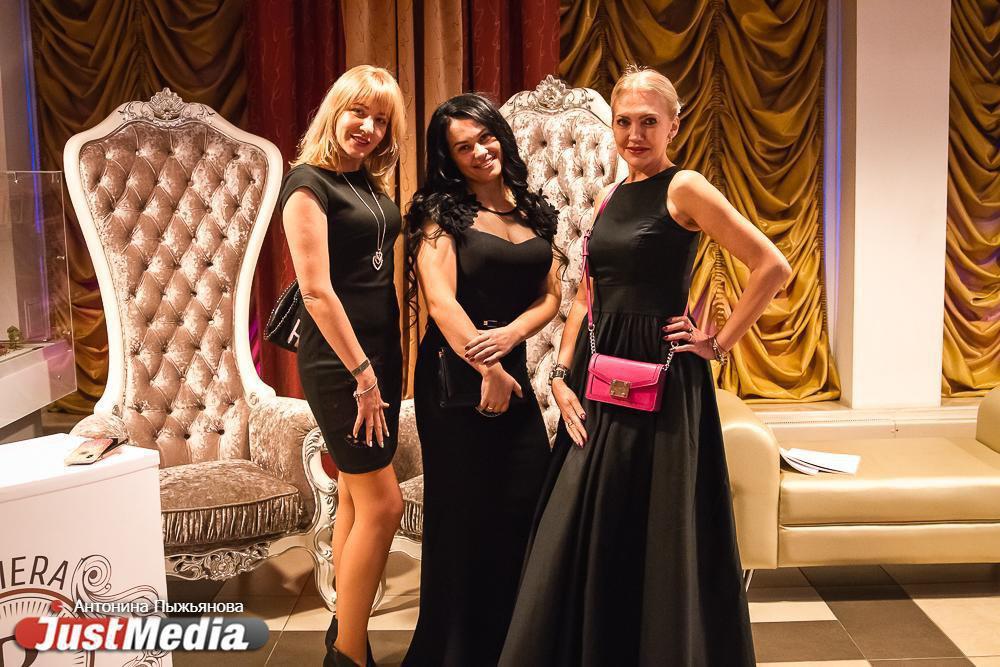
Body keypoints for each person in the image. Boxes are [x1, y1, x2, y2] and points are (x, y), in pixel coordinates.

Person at [499, 66, 792, 666]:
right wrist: (561, 374)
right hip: (600, 375)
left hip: (661, 378)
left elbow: (772, 266)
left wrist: (719, 342)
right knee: (583, 520)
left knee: (655, 527)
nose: (634, 135)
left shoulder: (684, 187)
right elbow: (587, 295)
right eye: (624, 122)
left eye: (648, 122)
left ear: (674, 127)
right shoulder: (612, 193)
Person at [401, 93, 564, 667]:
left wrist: (512, 336)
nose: (479, 152)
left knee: (526, 504)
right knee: (465, 517)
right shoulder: (440, 212)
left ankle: (518, 649)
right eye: (462, 146)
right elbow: (440, 301)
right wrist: (487, 366)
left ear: (501, 134)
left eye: (485, 137)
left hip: (508, 362)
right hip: (455, 375)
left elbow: (551, 295)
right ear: (449, 157)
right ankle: (456, 654)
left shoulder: (533, 208)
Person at [279, 64, 407, 667]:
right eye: (359, 112)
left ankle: (343, 633)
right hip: (343, 365)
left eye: (381, 120)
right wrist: (362, 375)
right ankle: (350, 656)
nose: (368, 128)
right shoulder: (307, 184)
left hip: (380, 355)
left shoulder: (365, 182)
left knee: (357, 499)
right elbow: (316, 292)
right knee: (384, 504)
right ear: (334, 110)